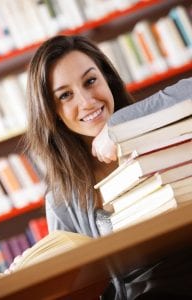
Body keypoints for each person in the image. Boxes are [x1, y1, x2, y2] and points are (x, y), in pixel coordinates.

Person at [19, 35, 192, 299]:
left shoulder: (158, 127)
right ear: (50, 113)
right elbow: (74, 286)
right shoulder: (61, 201)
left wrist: (120, 127)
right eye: (65, 95)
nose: (87, 101)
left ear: (108, 80)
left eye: (91, 81)